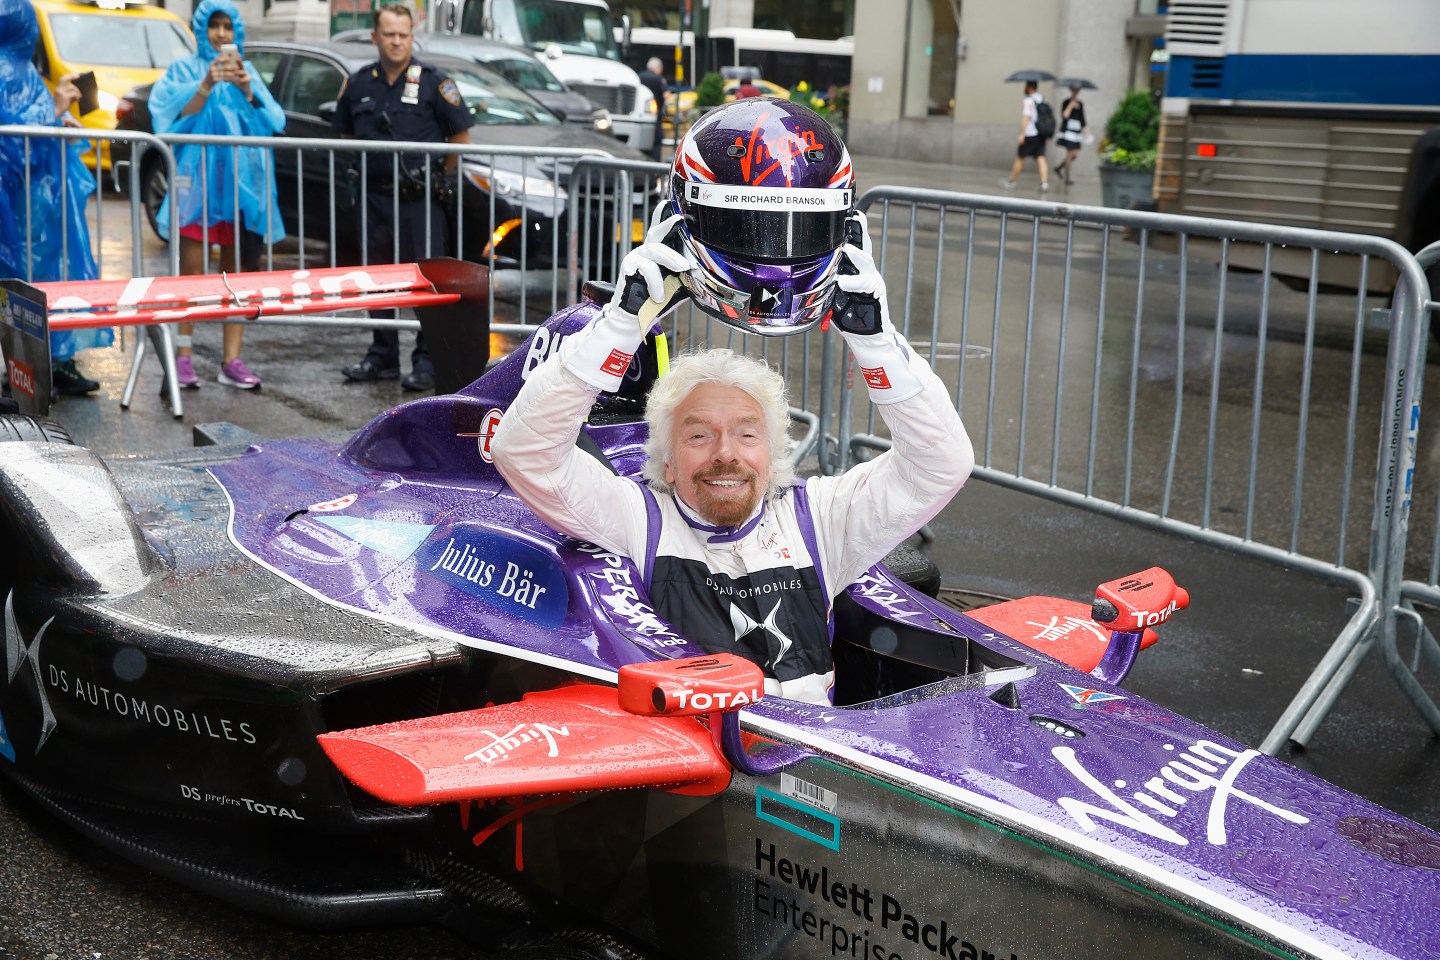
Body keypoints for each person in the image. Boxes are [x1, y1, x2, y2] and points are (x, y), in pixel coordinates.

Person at [491, 99, 974, 705]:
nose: (726, 454)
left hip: (825, 761)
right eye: (697, 435)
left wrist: (874, 340)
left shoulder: (821, 521)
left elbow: (942, 464)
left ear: (775, 455)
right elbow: (524, 452)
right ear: (664, 461)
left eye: (748, 434)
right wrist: (619, 326)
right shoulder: (637, 518)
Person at [334, 2, 474, 393]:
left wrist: (439, 178)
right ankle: (381, 354)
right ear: (375, 37)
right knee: (376, 280)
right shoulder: (359, 82)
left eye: (403, 35)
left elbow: (460, 140)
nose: (396, 42)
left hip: (419, 200)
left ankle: (427, 360)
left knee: (426, 283)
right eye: (389, 34)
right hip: (374, 198)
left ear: (412, 37)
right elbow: (343, 134)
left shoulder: (434, 82)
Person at [149, 0, 285, 390]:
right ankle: (185, 357)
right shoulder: (185, 70)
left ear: (237, 32)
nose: (221, 34)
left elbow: (274, 121)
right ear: (201, 28)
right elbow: (168, 119)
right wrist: (206, 85)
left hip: (242, 190)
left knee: (236, 277)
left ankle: (232, 360)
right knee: (191, 274)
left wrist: (247, 89)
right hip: (195, 188)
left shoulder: (248, 73)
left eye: (228, 26)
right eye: (214, 25)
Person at [0, 0, 113, 397]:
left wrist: (57, 117)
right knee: (21, 282)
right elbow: (10, 144)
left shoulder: (22, 70)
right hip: (18, 208)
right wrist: (53, 110)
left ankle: (47, 363)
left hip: (37, 207)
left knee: (42, 281)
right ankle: (26, 369)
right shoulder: (7, 71)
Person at [1001, 80, 1050, 193]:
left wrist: (1021, 134)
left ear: (1029, 87)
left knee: (1020, 157)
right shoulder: (1043, 99)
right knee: (1040, 157)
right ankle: (1044, 183)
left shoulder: (1029, 100)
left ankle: (1012, 182)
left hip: (1030, 133)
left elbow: (1025, 118)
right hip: (1041, 134)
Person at [1054, 84, 1090, 186]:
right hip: (1067, 130)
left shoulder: (1081, 104)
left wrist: (1087, 132)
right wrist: (1071, 104)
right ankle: (1067, 177)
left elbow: (1083, 119)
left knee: (1075, 154)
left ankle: (1059, 168)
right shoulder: (1066, 102)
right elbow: (1064, 115)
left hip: (1076, 131)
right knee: (1070, 153)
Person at [638, 57, 666, 161]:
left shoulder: (639, 76)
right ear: (658, 68)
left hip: (641, 117)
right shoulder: (657, 79)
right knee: (655, 145)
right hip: (655, 118)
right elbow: (667, 95)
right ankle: (655, 172)